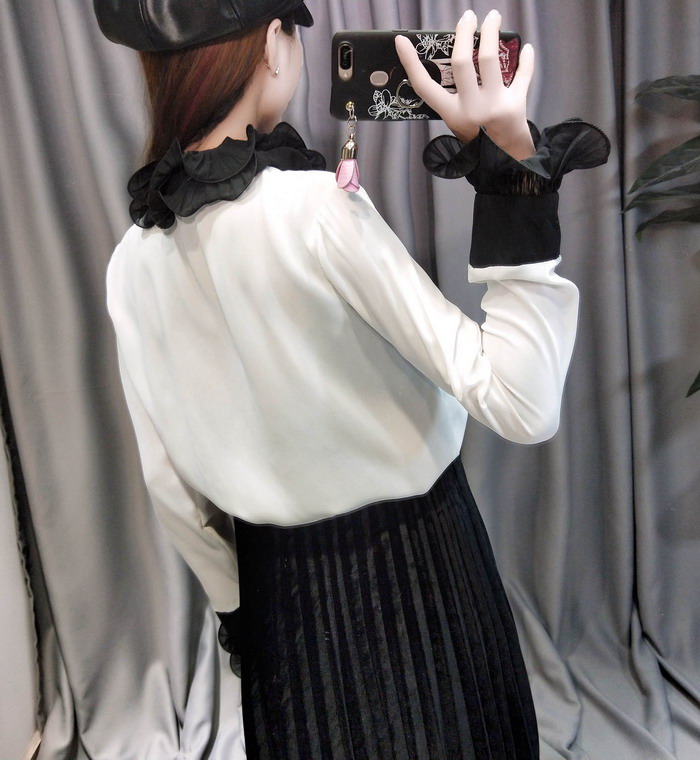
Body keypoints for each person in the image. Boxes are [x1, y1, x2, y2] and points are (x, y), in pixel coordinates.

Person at [96, 1, 609, 758]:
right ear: (272, 44)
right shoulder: (315, 211)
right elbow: (522, 401)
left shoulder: (132, 262)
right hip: (419, 572)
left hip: (275, 602)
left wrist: (240, 612)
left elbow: (169, 486)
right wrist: (509, 166)